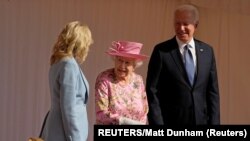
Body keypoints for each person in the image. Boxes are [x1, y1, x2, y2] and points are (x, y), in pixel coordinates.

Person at [146, 4, 220, 125]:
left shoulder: (207, 51)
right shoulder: (162, 51)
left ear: (196, 25)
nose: (181, 28)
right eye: (177, 23)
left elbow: (213, 92)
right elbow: (152, 90)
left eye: (186, 24)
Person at [41, 21, 94, 141]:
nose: (88, 47)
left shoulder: (58, 62)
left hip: (58, 129)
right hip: (64, 133)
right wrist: (75, 137)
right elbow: (68, 107)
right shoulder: (69, 65)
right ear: (80, 43)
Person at [95, 41, 148, 125]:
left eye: (127, 62)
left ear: (134, 66)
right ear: (115, 60)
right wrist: (123, 121)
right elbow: (101, 114)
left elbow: (144, 111)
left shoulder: (138, 80)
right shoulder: (104, 79)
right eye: (120, 60)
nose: (122, 66)